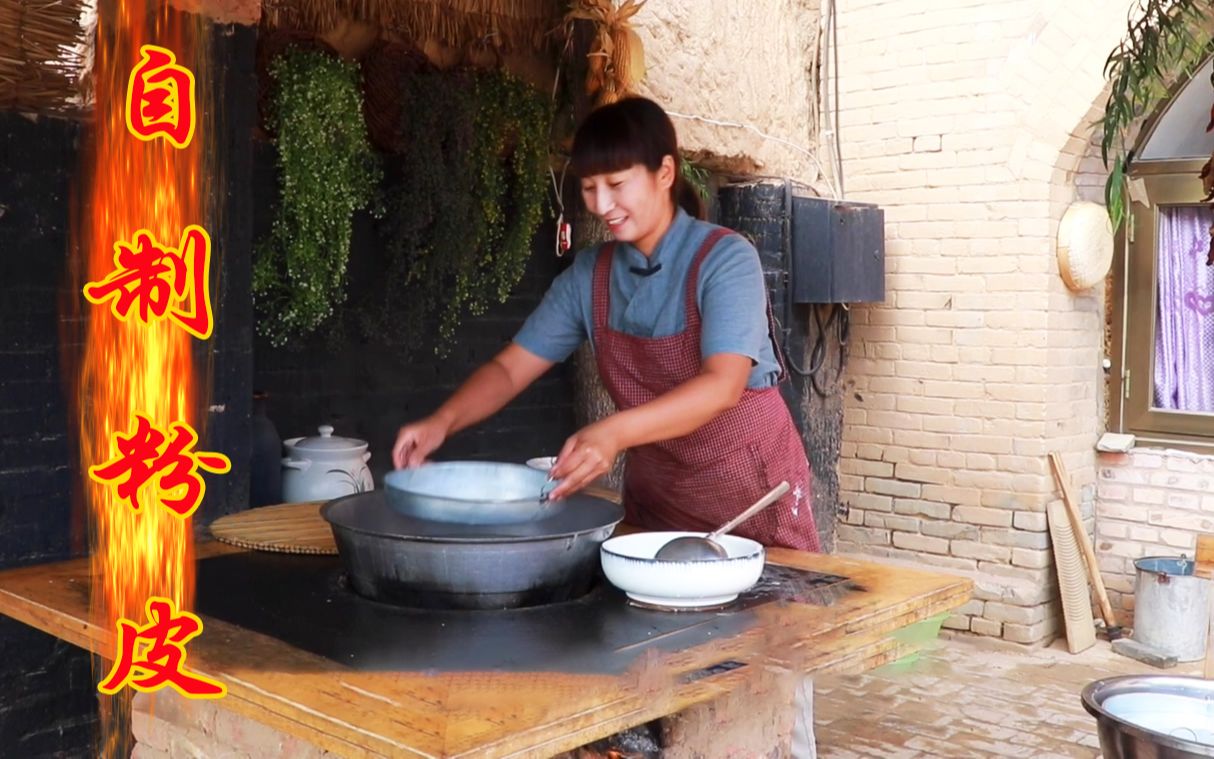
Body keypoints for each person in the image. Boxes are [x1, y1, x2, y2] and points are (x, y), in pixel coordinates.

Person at [392, 96, 820, 555]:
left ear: (665, 173)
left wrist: (612, 433)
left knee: (774, 619)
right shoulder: (590, 276)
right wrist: (442, 421)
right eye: (589, 187)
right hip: (660, 500)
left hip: (751, 496)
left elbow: (722, 386)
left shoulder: (726, 258)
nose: (601, 204)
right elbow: (511, 369)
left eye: (616, 184)